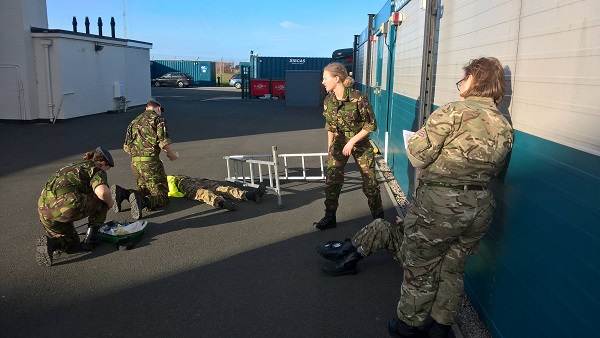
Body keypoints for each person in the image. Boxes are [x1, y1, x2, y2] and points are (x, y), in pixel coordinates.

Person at [318, 57, 514, 338]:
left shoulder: (453, 112)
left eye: (465, 78)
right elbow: (497, 170)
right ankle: (441, 327)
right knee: (453, 268)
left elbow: (418, 154)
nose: (462, 84)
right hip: (479, 207)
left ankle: (408, 325)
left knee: (420, 266)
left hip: (442, 205)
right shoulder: (504, 124)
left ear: (475, 80)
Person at [313, 62, 383, 230]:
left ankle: (379, 220)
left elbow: (371, 125)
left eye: (325, 78)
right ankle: (330, 217)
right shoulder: (328, 100)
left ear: (336, 78)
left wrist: (352, 141)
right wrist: (330, 150)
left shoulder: (358, 97)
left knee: (370, 182)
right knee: (332, 180)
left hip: (360, 143)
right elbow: (330, 126)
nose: (323, 82)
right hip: (339, 143)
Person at [36, 147, 116, 267]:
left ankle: (52, 243)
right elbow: (103, 193)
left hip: (44, 209)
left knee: (72, 242)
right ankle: (91, 239)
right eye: (107, 168)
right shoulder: (95, 169)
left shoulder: (72, 166)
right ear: (103, 163)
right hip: (65, 206)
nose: (106, 170)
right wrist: (110, 203)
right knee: (102, 200)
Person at [118, 97, 178, 220]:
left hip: (135, 162)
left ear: (146, 107)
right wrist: (172, 156)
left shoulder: (134, 121)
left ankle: (122, 194)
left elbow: (126, 146)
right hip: (150, 162)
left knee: (144, 188)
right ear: (159, 108)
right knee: (162, 196)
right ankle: (143, 202)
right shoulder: (158, 119)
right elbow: (163, 142)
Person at [165, 175, 268, 211]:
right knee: (204, 193)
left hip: (193, 180)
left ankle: (251, 195)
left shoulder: (158, 178)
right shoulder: (159, 182)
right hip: (182, 185)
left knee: (219, 188)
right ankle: (222, 203)